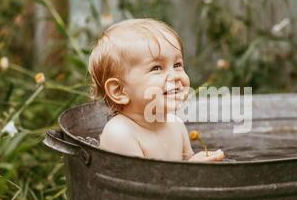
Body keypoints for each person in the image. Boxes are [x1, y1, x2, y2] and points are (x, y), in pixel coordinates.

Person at [88, 18, 225, 162]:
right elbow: (139, 183)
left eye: (177, 64)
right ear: (119, 91)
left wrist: (200, 163)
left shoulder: (175, 124)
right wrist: (192, 169)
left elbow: (185, 167)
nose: (174, 76)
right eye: (156, 68)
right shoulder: (120, 133)